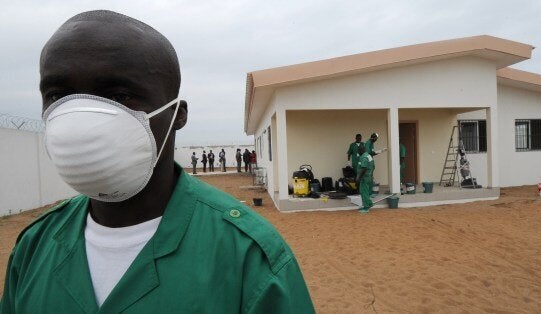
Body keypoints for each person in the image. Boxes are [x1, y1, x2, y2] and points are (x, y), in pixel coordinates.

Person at [0, 10, 313, 313]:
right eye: (57, 95)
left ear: (177, 115)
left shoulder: (250, 258)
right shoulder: (32, 249)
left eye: (119, 95)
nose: (80, 118)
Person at [356, 144, 374, 213]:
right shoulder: (368, 155)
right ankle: (369, 203)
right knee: (365, 191)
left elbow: (364, 168)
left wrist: (359, 178)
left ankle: (366, 208)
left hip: (364, 178)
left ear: (361, 150)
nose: (358, 152)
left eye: (358, 150)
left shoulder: (364, 157)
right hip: (368, 176)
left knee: (364, 192)